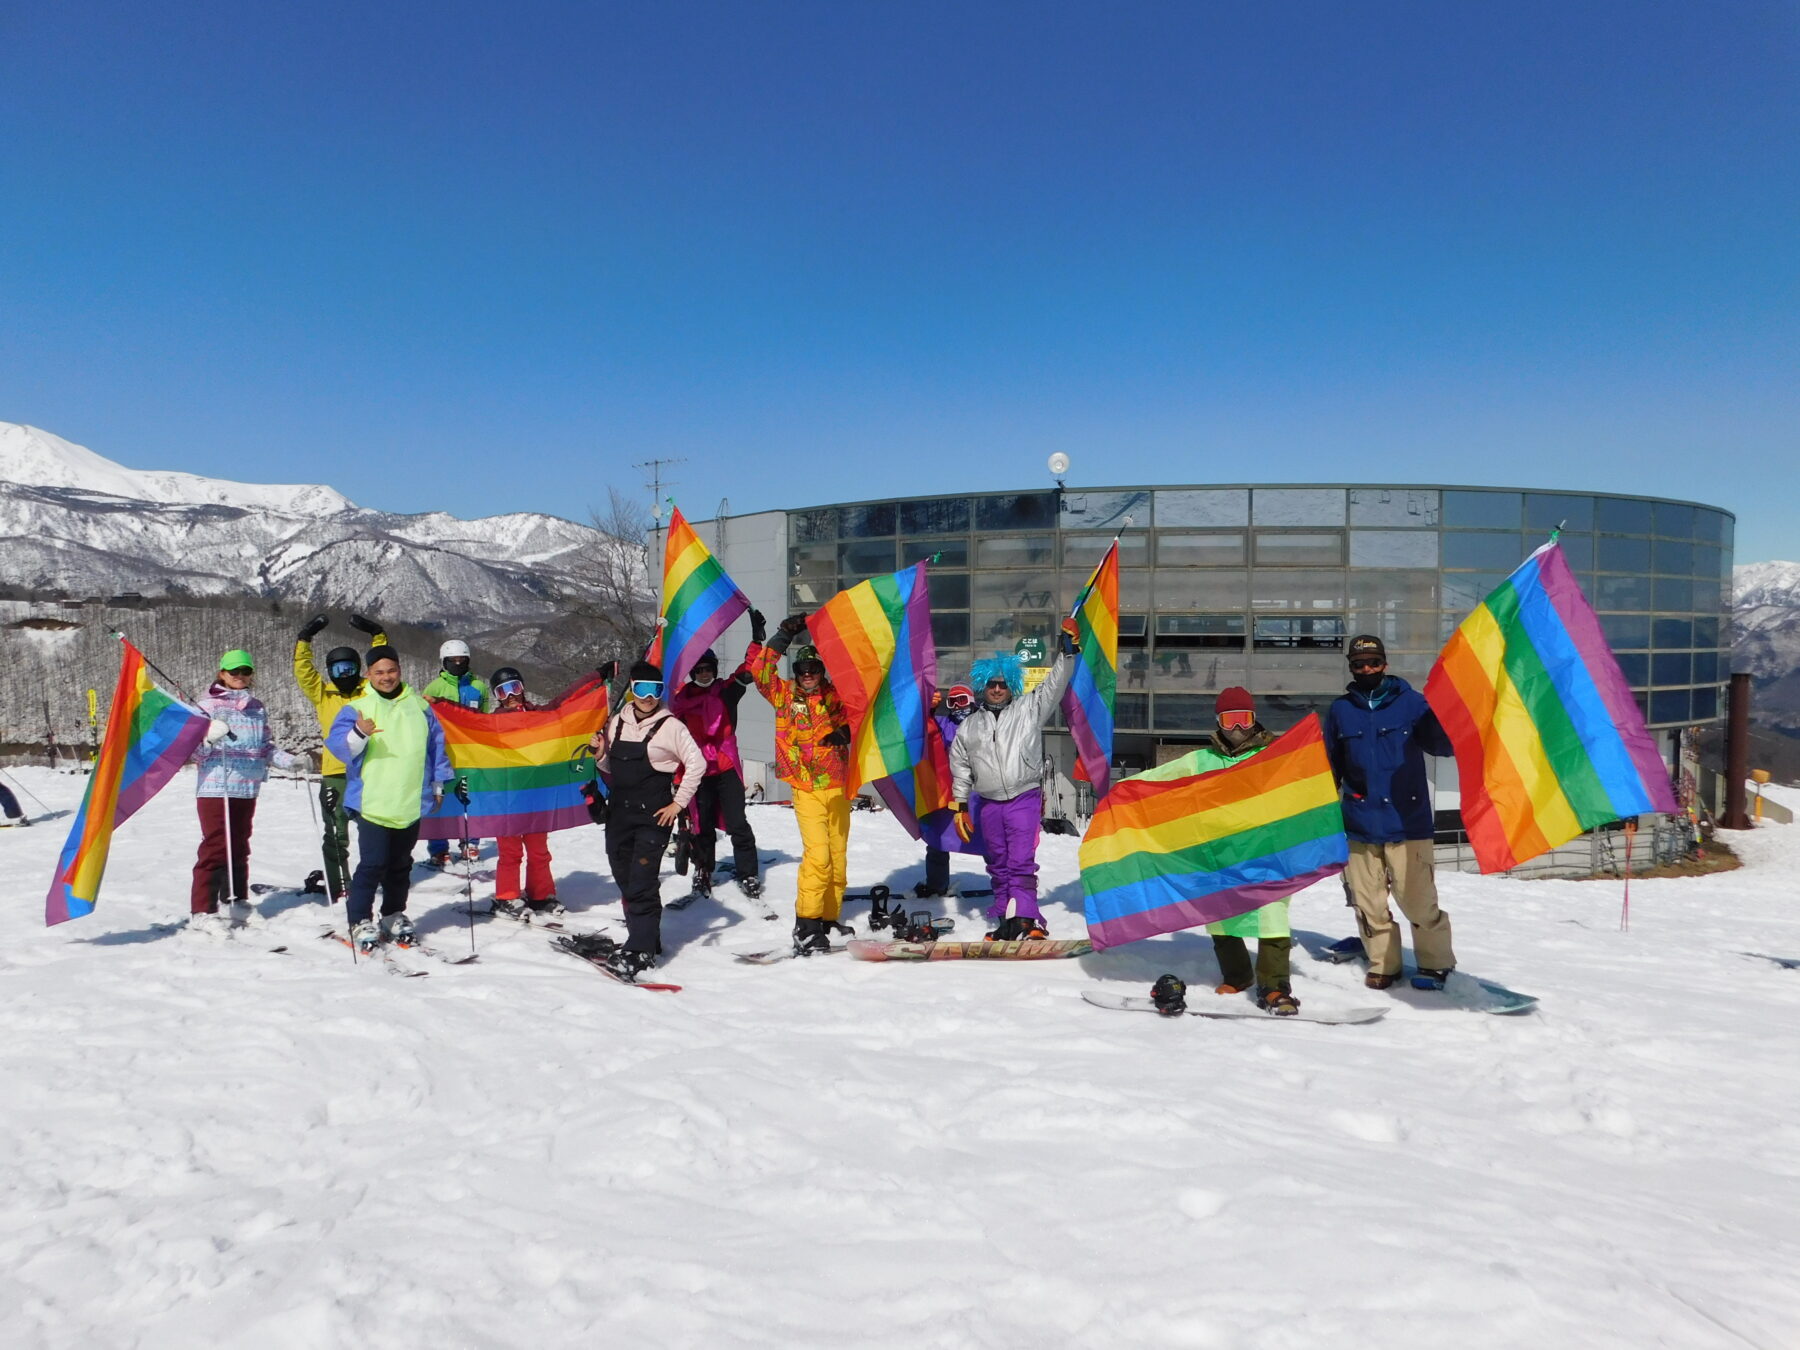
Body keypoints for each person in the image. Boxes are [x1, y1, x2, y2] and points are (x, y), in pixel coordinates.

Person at [1323, 634, 1457, 989]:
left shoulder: (1413, 704)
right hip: (1359, 823)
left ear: (1385, 664)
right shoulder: (1340, 710)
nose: (1366, 669)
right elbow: (1329, 766)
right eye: (1359, 664)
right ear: (1351, 667)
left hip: (1407, 822)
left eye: (1373, 663)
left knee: (1418, 902)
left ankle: (1435, 963)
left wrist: (1445, 713)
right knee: (1368, 904)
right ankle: (1384, 963)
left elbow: (1442, 747)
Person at [1158, 687, 1299, 1014]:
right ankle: (1238, 976)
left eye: (1244, 719)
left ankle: (1275, 988)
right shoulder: (1201, 760)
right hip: (1220, 856)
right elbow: (1159, 780)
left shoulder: (1274, 756)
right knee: (1221, 917)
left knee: (1272, 918)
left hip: (1268, 856)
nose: (1237, 728)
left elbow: (1302, 784)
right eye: (1229, 720)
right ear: (1218, 723)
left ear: (1254, 720)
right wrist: (1123, 791)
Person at [949, 634, 1077, 940]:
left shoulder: (1028, 709)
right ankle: (1006, 919)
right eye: (992, 684)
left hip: (1023, 797)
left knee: (1020, 861)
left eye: (1003, 684)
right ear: (983, 686)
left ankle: (1027, 919)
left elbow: (1054, 685)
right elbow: (961, 766)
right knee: (997, 863)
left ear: (1011, 687)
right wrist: (960, 805)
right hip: (989, 802)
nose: (997, 689)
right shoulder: (970, 726)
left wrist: (1067, 654)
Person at [327, 645, 454, 953]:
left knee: (400, 864)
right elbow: (339, 747)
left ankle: (393, 913)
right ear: (368, 674)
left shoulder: (420, 707)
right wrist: (359, 731)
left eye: (391, 671)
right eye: (379, 672)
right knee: (372, 864)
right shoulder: (358, 708)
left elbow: (436, 747)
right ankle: (359, 919)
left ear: (400, 671)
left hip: (410, 800)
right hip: (373, 801)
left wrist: (438, 786)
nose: (386, 677)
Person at [586, 660, 706, 979]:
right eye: (641, 688)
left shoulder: (672, 727)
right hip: (619, 814)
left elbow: (698, 764)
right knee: (625, 879)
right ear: (633, 690)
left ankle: (639, 950)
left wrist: (678, 804)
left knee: (642, 881)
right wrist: (600, 755)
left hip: (654, 815)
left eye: (655, 690)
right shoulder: (616, 724)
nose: (648, 696)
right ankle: (648, 938)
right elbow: (612, 769)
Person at [749, 612, 854, 954]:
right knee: (818, 856)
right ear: (796, 673)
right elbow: (760, 672)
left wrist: (845, 731)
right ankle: (806, 924)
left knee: (837, 856)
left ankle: (828, 917)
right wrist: (781, 636)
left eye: (814, 670)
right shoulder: (783, 695)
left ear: (821, 672)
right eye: (802, 671)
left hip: (838, 784)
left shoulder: (834, 695)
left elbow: (861, 711)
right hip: (806, 786)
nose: (808, 676)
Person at [189, 649, 299, 925]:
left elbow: (264, 747)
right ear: (221, 674)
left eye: (245, 671)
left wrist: (291, 762)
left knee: (239, 846)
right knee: (216, 846)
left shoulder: (256, 707)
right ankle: (203, 910)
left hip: (247, 787)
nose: (240, 676)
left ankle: (236, 899)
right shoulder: (206, 707)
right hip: (216, 787)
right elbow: (193, 755)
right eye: (233, 671)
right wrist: (209, 739)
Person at [294, 612, 388, 900]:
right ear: (330, 672)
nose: (344, 674)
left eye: (349, 668)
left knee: (376, 832)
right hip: (335, 774)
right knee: (336, 834)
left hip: (369, 771)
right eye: (337, 669)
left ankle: (374, 880)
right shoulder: (324, 694)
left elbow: (382, 663)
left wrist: (377, 633)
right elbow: (303, 671)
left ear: (358, 669)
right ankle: (341, 886)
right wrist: (304, 639)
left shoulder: (368, 690)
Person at [669, 644, 763, 900]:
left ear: (714, 669)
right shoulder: (680, 702)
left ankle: (749, 873)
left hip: (725, 766)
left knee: (737, 823)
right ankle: (703, 869)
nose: (703, 674)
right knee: (702, 824)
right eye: (698, 670)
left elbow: (748, 670)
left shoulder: (726, 692)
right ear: (692, 673)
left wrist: (756, 641)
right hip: (697, 768)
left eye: (708, 669)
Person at [486, 665, 566, 917]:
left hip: (534, 796)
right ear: (496, 696)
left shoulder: (537, 715)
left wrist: (595, 678)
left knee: (539, 849)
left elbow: (564, 707)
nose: (511, 695)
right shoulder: (492, 723)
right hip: (507, 798)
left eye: (515, 687)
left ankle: (540, 894)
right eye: (503, 691)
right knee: (510, 852)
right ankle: (507, 896)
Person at [423, 639, 491, 867]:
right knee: (440, 799)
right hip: (443, 752)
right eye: (452, 660)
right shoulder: (434, 688)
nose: (457, 663)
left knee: (471, 799)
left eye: (462, 660)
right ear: (443, 662)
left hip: (470, 752)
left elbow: (484, 719)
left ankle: (470, 842)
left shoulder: (479, 687)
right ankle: (438, 848)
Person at [918, 683, 976, 898]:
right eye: (952, 702)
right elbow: (925, 730)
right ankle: (936, 885)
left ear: (971, 701)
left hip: (977, 794)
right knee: (938, 840)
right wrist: (928, 711)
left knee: (989, 839)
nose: (957, 707)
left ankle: (1003, 882)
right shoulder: (944, 724)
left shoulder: (984, 723)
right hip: (947, 794)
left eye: (962, 700)